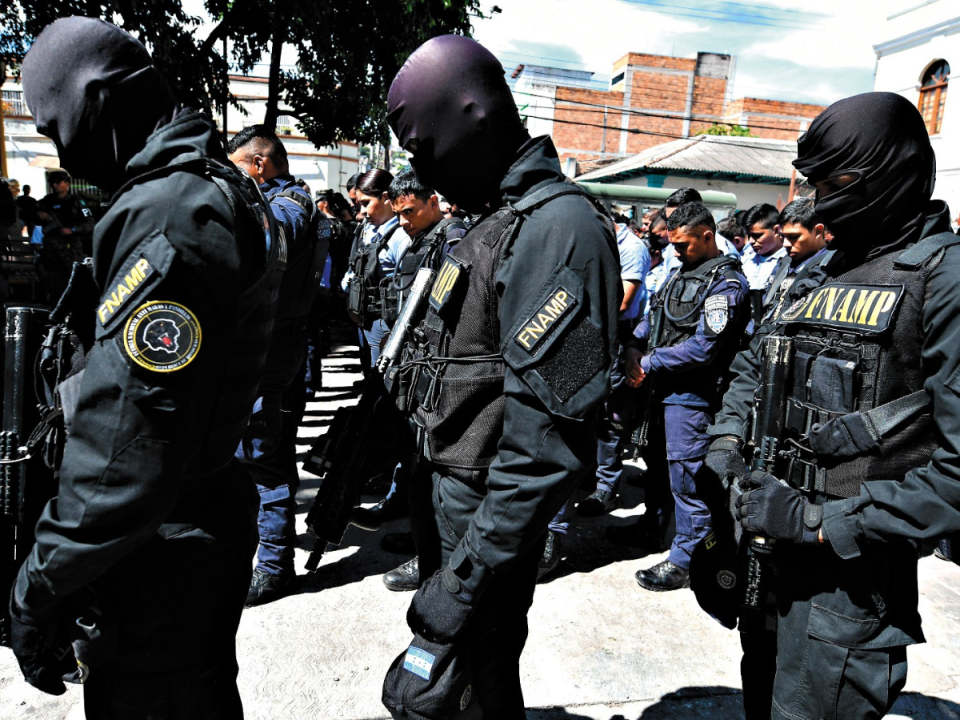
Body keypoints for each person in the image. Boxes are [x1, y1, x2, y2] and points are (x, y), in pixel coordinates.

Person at [10, 17, 279, 717]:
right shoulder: (206, 186)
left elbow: (128, 448)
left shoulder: (170, 213)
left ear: (95, 100)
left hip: (158, 553)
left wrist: (40, 582)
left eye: (54, 127)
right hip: (183, 533)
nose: (61, 152)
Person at [705, 92, 960, 720]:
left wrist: (820, 522)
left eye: (836, 182)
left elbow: (956, 474)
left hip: (849, 585)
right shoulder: (823, 270)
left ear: (890, 172)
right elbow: (753, 364)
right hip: (768, 559)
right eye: (815, 184)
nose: (821, 200)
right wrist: (725, 447)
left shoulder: (943, 278)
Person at [385, 34, 619, 717]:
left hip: (486, 516)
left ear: (472, 115)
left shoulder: (558, 227)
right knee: (454, 687)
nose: (420, 171)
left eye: (423, 147)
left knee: (477, 683)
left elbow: (548, 448)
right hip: (448, 492)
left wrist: (465, 575)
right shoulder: (489, 220)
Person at [624, 202, 749, 591]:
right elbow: (656, 316)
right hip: (661, 389)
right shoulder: (682, 272)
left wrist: (648, 360)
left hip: (692, 396)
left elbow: (703, 348)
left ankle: (686, 561)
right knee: (658, 469)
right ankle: (655, 530)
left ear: (708, 236)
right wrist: (633, 345)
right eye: (673, 244)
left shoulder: (725, 284)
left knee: (688, 479)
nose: (676, 251)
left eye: (684, 244)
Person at [227, 125, 323, 607]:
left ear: (259, 164)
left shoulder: (289, 204)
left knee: (266, 461)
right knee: (255, 458)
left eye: (237, 166)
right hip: (267, 351)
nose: (233, 177)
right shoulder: (286, 199)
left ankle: (274, 566)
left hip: (269, 357)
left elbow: (275, 234)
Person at [367, 170, 469, 592]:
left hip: (438, 368)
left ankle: (434, 558)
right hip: (414, 363)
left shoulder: (454, 239)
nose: (403, 220)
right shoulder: (423, 239)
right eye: (399, 212)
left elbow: (448, 312)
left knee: (435, 469)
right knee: (415, 464)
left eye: (409, 211)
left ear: (431, 202)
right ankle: (420, 541)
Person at [341, 168, 411, 369]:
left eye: (366, 204)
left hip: (387, 325)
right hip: (368, 321)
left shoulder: (401, 237)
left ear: (386, 198)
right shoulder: (371, 230)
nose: (362, 212)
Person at [760, 197, 829, 313]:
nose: (786, 244)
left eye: (793, 237)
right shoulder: (785, 263)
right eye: (783, 237)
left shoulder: (830, 267)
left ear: (818, 231)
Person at [35, 170, 95, 303]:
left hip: (71, 248)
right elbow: (30, 214)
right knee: (54, 281)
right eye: (52, 183)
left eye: (58, 182)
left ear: (67, 183)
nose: (55, 185)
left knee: (74, 280)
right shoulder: (46, 202)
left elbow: (90, 223)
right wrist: (39, 213)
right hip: (51, 249)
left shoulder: (77, 202)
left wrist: (73, 229)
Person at [741, 202, 787, 322]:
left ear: (776, 230)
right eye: (748, 235)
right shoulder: (745, 261)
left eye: (757, 235)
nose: (751, 241)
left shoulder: (788, 263)